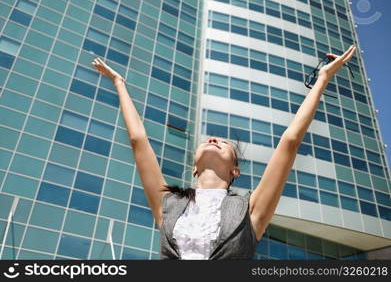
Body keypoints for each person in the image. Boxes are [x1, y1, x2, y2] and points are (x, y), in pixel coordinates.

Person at [91, 45, 356, 260]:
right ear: (194, 168)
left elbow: (290, 141)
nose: (214, 139)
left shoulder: (249, 210)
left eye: (224, 143)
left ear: (235, 171)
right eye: (208, 140)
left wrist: (322, 79)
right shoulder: (169, 204)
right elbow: (138, 141)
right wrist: (119, 83)